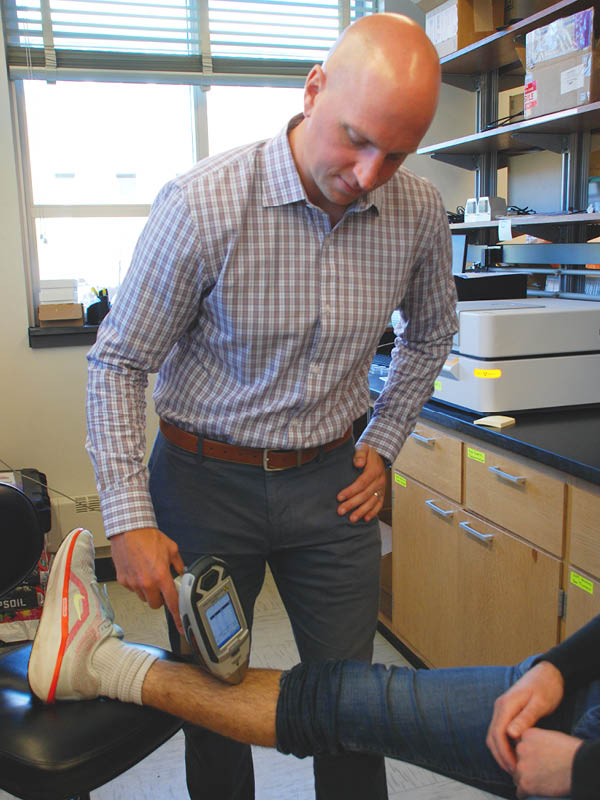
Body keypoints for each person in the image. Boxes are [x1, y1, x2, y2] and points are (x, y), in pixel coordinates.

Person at [85, 11, 457, 800]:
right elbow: (118, 362)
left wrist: (385, 443)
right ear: (313, 89)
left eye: (395, 154)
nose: (367, 172)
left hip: (332, 484)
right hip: (200, 481)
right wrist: (128, 517)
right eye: (355, 139)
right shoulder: (203, 203)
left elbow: (431, 336)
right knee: (213, 695)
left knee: (351, 701)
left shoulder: (419, 212)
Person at [30, 528, 600, 800]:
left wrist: (584, 772)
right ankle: (96, 662)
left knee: (334, 715)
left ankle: (101, 663)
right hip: (585, 693)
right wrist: (560, 665)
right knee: (339, 700)